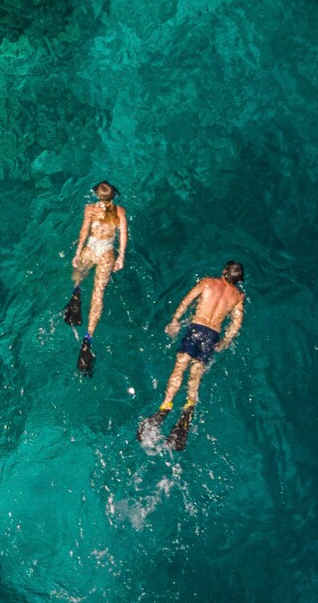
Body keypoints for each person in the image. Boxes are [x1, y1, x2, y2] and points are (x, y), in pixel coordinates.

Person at [143, 261, 246, 450]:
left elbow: (187, 301)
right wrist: (225, 341)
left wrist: (175, 320)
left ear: (224, 271)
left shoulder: (207, 282)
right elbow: (236, 323)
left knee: (179, 368)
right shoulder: (238, 296)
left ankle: (165, 406)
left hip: (197, 329)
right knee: (196, 374)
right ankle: (188, 410)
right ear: (238, 280)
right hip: (212, 335)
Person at [63, 181, 127, 375]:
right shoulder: (120, 211)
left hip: (90, 248)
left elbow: (84, 231)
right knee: (98, 295)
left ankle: (76, 294)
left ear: (98, 195)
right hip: (106, 253)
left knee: (78, 275)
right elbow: (123, 234)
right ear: (113, 195)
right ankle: (88, 338)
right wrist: (121, 256)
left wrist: (77, 253)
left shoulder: (89, 208)